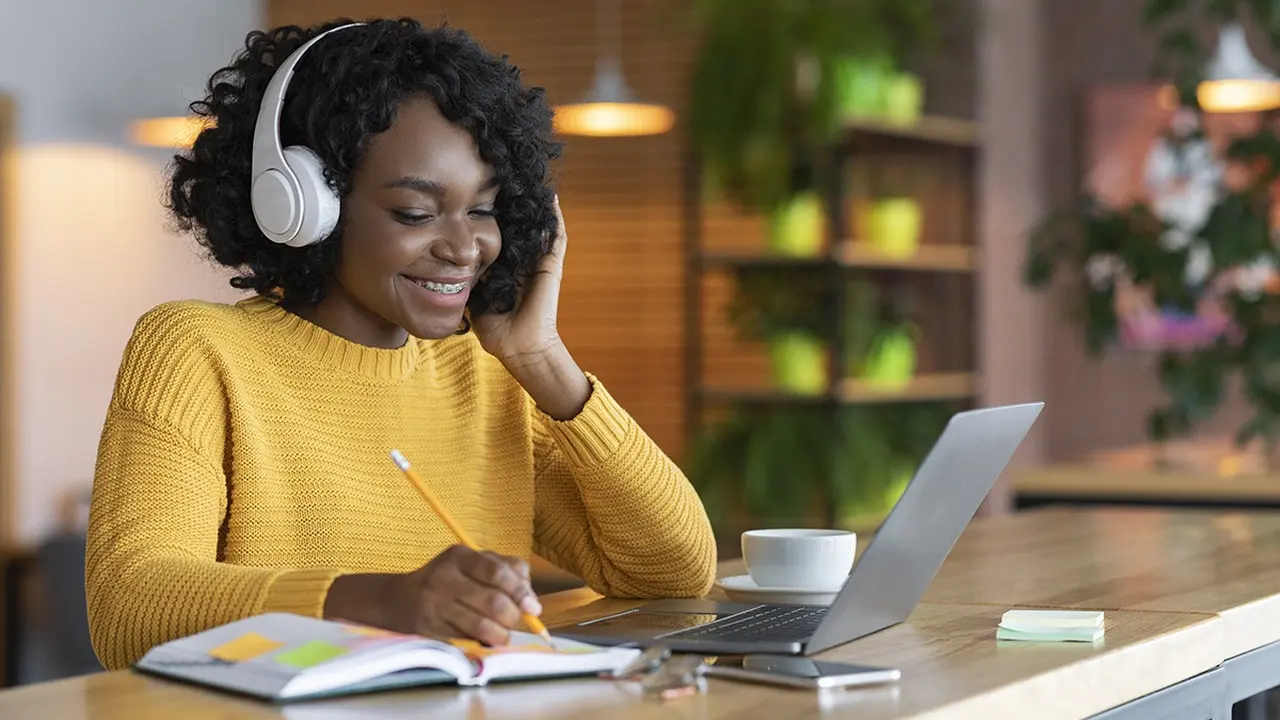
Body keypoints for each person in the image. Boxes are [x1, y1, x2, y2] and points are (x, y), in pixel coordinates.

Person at [85, 18, 717, 671]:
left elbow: (674, 572)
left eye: (483, 208)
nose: (465, 247)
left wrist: (543, 360)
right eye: (416, 213)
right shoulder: (196, 350)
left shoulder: (486, 372)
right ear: (306, 205)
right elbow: (130, 608)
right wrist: (386, 602)